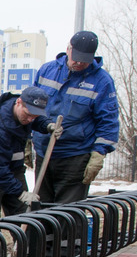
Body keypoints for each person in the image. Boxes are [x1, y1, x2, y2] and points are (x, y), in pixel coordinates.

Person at [32, 30, 119, 203]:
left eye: (84, 60)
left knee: (66, 215)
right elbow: (31, 106)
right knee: (39, 211)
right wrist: (26, 137)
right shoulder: (47, 70)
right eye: (76, 57)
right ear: (68, 49)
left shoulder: (102, 82)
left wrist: (99, 153)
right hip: (44, 152)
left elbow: (108, 122)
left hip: (75, 157)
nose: (78, 62)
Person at [0, 86, 60, 218]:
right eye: (28, 114)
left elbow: (36, 120)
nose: (30, 119)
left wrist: (48, 125)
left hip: (14, 170)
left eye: (34, 116)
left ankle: (24, 238)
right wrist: (21, 193)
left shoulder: (25, 114)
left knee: (25, 217)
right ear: (18, 102)